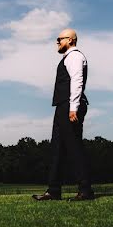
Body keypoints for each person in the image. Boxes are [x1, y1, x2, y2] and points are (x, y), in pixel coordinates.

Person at [33, 28, 94, 201]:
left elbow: (77, 81)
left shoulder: (75, 56)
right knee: (57, 149)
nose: (57, 42)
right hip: (63, 106)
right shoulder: (67, 58)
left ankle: (85, 190)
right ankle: (53, 191)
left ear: (71, 40)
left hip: (70, 105)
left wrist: (73, 107)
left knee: (74, 148)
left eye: (60, 39)